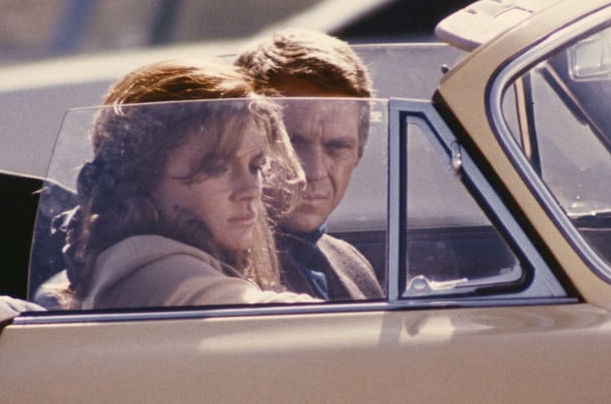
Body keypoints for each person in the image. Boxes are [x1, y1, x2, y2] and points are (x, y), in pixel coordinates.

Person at [52, 59, 318, 309]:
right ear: (141, 178)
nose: (250, 191)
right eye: (217, 168)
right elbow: (287, 320)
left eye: (255, 167)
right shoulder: (152, 269)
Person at [234, 29, 384, 300]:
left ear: (358, 153)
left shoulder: (352, 264)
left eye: (337, 147)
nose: (312, 172)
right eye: (291, 144)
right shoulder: (220, 270)